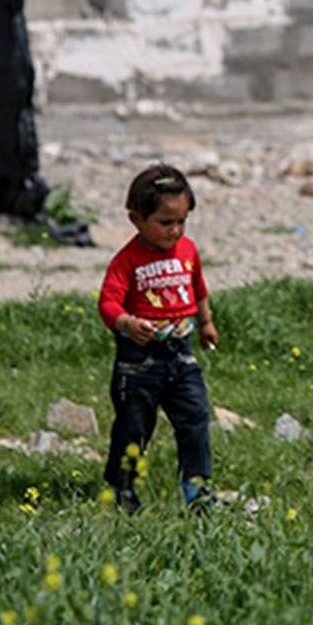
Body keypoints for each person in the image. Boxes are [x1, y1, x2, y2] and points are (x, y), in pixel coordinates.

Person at [97, 163, 220, 514]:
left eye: (182, 221)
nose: (175, 231)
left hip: (181, 354)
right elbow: (107, 302)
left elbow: (198, 289)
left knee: (195, 417)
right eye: (165, 223)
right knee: (134, 427)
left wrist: (207, 322)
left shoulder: (188, 251)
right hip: (138, 360)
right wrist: (125, 322)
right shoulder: (127, 260)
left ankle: (196, 489)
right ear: (136, 219)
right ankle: (122, 489)